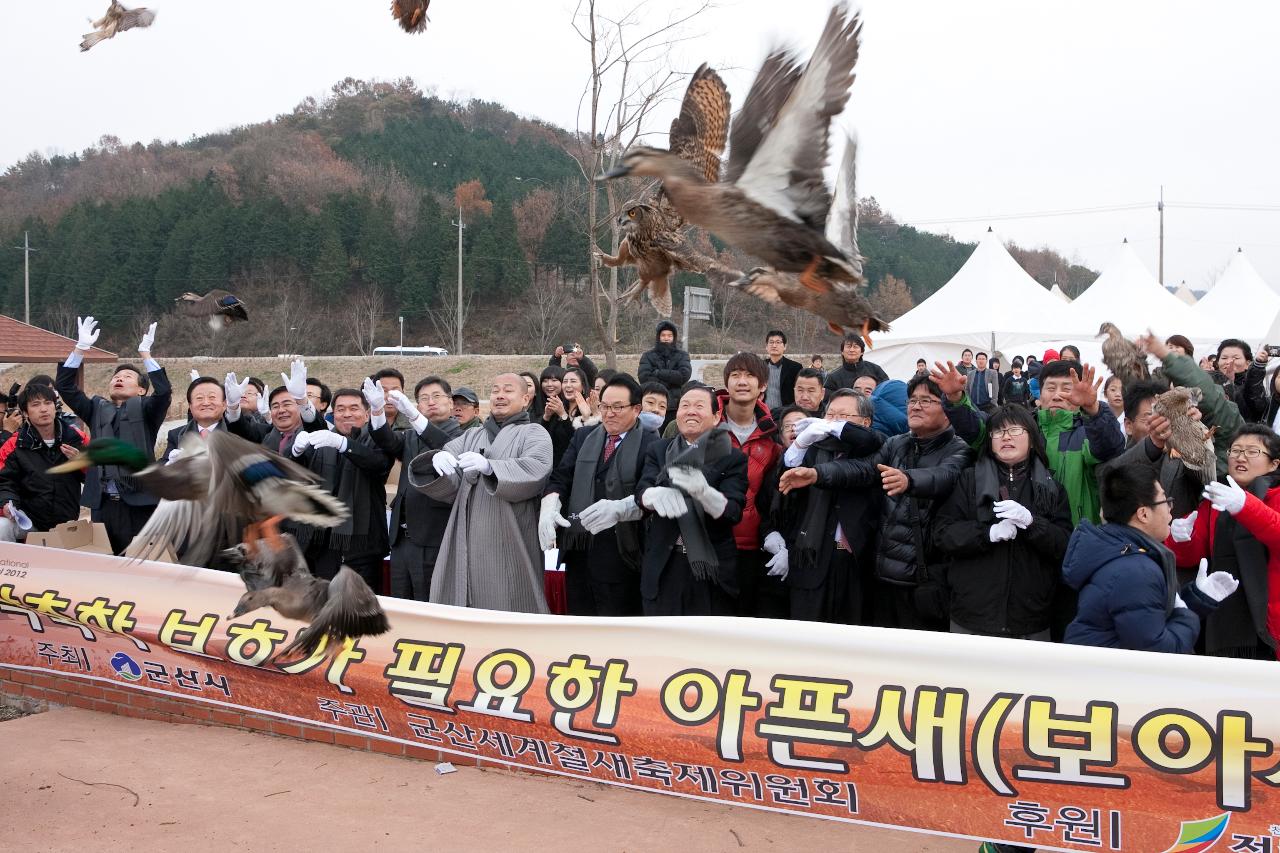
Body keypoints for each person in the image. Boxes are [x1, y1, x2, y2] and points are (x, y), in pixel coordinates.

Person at [783, 375, 970, 630]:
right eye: (912, 400)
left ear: (947, 410)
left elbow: (944, 476)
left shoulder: (959, 449)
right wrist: (817, 474)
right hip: (883, 575)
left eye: (926, 400)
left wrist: (908, 479)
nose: (915, 406)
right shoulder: (897, 444)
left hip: (926, 579)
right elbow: (862, 469)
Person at [408, 373, 554, 613]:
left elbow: (535, 470)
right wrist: (437, 460)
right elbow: (450, 477)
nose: (500, 395)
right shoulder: (472, 435)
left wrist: (490, 467)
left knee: (511, 597)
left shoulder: (534, 433)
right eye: (495, 390)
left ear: (526, 398)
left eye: (508, 390)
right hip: (466, 532)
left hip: (511, 531)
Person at [932, 405, 1072, 639]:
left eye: (1015, 430)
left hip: (1031, 618)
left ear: (1032, 437)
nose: (1006, 436)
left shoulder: (1051, 488)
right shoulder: (969, 480)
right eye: (998, 432)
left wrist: (1032, 523)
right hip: (972, 615)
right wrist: (988, 533)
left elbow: (1064, 545)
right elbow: (943, 534)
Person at [1063, 464, 1231, 652]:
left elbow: (1145, 618)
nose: (1170, 508)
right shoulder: (1135, 571)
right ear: (1143, 514)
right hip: (1111, 678)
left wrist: (1196, 599)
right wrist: (1186, 616)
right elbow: (1158, 651)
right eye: (1164, 500)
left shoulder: (1121, 553)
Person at [542, 374, 659, 616]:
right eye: (605, 407)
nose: (609, 413)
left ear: (636, 409)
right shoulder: (585, 436)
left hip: (624, 554)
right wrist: (550, 503)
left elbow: (648, 491)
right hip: (580, 550)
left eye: (618, 407)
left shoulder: (651, 444)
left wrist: (620, 508)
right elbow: (562, 476)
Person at [55, 317, 172, 554]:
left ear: (141, 389)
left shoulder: (148, 411)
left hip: (140, 502)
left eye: (128, 377)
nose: (119, 378)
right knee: (105, 564)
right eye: (116, 377)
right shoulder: (96, 410)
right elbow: (65, 387)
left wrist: (146, 355)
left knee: (141, 563)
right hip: (103, 503)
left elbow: (164, 391)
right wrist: (79, 349)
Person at [1167, 424, 1280, 660]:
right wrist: (1180, 538)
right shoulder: (1218, 495)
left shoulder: (1276, 495)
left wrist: (1246, 507)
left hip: (1271, 621)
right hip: (1227, 619)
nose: (1241, 457)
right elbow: (1195, 554)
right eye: (1235, 450)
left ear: (1274, 464)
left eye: (1252, 452)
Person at [635, 385, 748, 616]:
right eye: (685, 406)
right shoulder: (659, 449)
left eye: (699, 406)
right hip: (664, 564)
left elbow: (734, 511)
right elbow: (642, 490)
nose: (690, 411)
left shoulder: (732, 457)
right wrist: (652, 496)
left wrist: (705, 494)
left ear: (717, 416)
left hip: (710, 569)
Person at [772, 389, 883, 623]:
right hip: (811, 558)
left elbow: (856, 466)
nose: (832, 421)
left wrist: (817, 472)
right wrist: (801, 444)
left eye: (843, 416)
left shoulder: (877, 447)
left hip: (855, 561)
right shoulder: (815, 449)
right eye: (829, 415)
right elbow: (783, 487)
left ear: (865, 422)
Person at [368, 376, 463, 601]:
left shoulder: (460, 434)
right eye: (423, 398)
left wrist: (413, 416)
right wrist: (377, 410)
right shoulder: (411, 435)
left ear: (451, 403)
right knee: (401, 598)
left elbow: (444, 445)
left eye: (436, 396)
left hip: (433, 534)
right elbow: (387, 441)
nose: (430, 402)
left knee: (427, 600)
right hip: (402, 536)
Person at [290, 388, 394, 588]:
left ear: (366, 414)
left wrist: (343, 444)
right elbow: (294, 470)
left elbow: (377, 464)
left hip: (363, 547)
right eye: (340, 409)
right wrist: (296, 451)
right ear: (332, 414)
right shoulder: (322, 441)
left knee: (358, 612)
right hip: (322, 545)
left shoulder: (378, 442)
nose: (347, 414)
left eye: (354, 408)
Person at [715, 353, 782, 617]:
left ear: (762, 385)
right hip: (712, 541)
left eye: (750, 375)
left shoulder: (772, 434)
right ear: (726, 383)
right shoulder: (708, 426)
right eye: (735, 375)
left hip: (754, 545)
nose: (742, 382)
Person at [0, 383, 87, 541]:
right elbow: (4, 481)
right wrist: (7, 503)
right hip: (29, 521)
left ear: (55, 407)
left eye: (48, 403)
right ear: (25, 412)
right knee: (2, 527)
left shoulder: (77, 438)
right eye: (36, 404)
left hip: (66, 522)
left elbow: (97, 477)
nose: (44, 409)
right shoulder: (14, 444)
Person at [638, 320, 691, 407]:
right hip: (653, 403)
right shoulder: (648, 356)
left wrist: (658, 372)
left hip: (677, 404)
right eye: (663, 335)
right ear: (658, 337)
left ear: (674, 337)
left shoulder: (682, 355)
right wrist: (672, 381)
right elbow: (644, 378)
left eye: (670, 335)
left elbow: (684, 376)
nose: (666, 338)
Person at [823, 332, 888, 393]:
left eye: (855, 347)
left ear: (862, 352)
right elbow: (827, 401)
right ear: (842, 352)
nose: (852, 350)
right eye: (848, 346)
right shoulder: (833, 377)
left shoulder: (875, 369)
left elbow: (888, 390)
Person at [763, 330, 801, 411]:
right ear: (766, 346)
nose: (774, 345)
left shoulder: (795, 367)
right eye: (771, 342)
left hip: (786, 413)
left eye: (778, 342)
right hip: (764, 413)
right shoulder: (760, 366)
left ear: (785, 346)